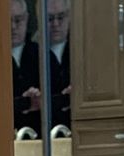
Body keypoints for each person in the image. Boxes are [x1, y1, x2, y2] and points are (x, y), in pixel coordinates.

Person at [10, 0, 43, 135]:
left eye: (18, 20)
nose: (12, 27)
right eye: (7, 21)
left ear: (26, 19)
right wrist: (23, 103)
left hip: (40, 135)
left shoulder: (42, 54)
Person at [44, 0, 71, 131]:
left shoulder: (81, 49)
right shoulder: (32, 52)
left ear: (69, 16)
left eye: (60, 17)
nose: (55, 24)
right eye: (49, 18)